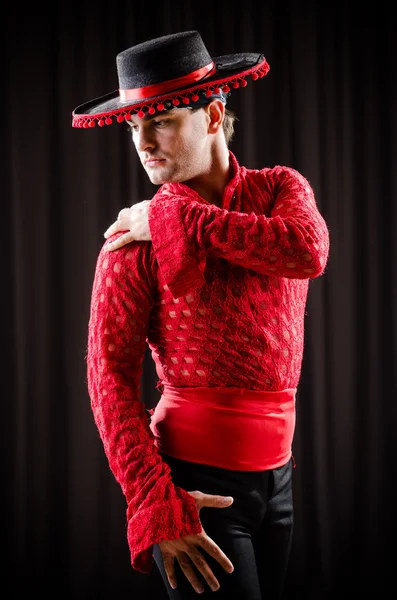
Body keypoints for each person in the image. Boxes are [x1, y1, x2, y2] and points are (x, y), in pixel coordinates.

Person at [72, 30, 330, 599]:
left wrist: (176, 222)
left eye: (160, 120)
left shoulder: (279, 189)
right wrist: (156, 500)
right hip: (193, 484)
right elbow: (108, 379)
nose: (143, 141)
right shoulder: (130, 240)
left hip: (278, 479)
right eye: (133, 126)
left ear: (213, 115)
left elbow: (305, 252)